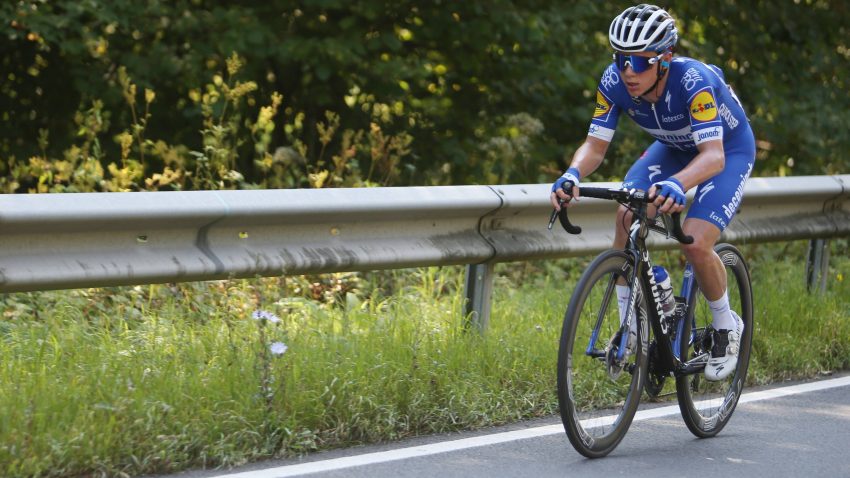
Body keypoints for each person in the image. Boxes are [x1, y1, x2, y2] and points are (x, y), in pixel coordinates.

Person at [550, 4, 755, 381]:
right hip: (674, 147)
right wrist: (572, 173)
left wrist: (678, 183)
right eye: (621, 59)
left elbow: (713, 156)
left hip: (727, 150)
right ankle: (630, 326)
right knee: (626, 214)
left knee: (695, 242)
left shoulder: (693, 81)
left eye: (641, 62)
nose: (629, 71)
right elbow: (595, 146)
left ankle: (727, 326)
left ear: (665, 59)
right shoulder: (613, 82)